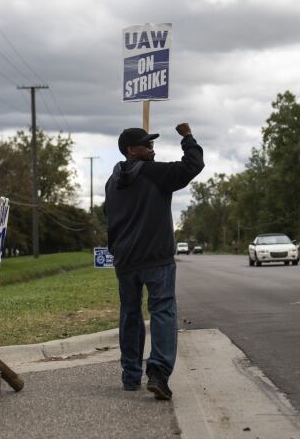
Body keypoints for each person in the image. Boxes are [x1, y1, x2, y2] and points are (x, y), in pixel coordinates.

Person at [104, 123, 204, 400]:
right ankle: (158, 373)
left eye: (152, 144)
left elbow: (108, 218)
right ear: (130, 150)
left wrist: (116, 249)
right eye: (146, 145)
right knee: (162, 310)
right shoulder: (154, 173)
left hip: (125, 260)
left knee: (130, 314)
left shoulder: (112, 182)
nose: (152, 149)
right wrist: (187, 137)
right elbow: (192, 165)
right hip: (156, 259)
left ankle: (131, 375)